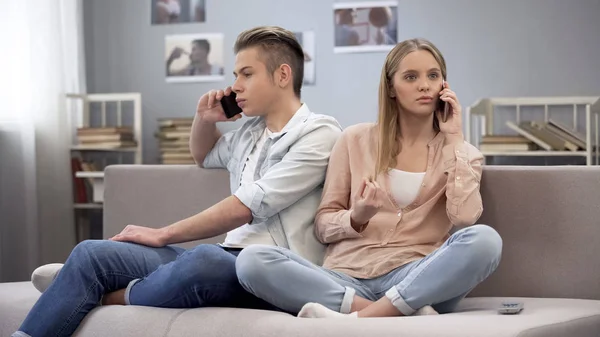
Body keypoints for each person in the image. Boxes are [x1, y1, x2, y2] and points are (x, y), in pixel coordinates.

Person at [13, 26, 342, 337]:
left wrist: (161, 234)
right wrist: (204, 118)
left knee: (205, 260)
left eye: (247, 73)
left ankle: (100, 293)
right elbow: (205, 155)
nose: (236, 85)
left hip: (270, 273)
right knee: (92, 254)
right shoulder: (249, 133)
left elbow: (247, 206)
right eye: (235, 75)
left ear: (283, 75)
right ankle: (61, 298)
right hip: (224, 254)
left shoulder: (319, 133)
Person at [235, 38, 503, 318]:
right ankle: (394, 314)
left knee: (485, 241)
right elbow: (323, 226)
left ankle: (360, 320)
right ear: (390, 87)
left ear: (444, 85)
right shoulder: (354, 139)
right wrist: (356, 218)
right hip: (346, 279)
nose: (424, 85)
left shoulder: (463, 153)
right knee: (252, 261)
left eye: (433, 76)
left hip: (416, 278)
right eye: (411, 77)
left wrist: (454, 138)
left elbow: (464, 218)